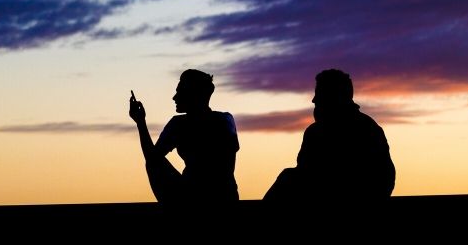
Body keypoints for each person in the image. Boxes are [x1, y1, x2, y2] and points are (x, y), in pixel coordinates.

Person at [263, 68, 395, 203]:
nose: (313, 100)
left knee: (288, 177)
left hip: (352, 197)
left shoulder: (363, 129)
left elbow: (311, 173)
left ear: (333, 97)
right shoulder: (318, 131)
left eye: (319, 94)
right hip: (339, 194)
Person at [128, 69, 239, 204]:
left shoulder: (179, 125)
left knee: (152, 161)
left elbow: (152, 159)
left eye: (179, 92)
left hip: (191, 198)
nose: (174, 97)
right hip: (226, 197)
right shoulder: (226, 120)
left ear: (193, 95)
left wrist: (140, 122)